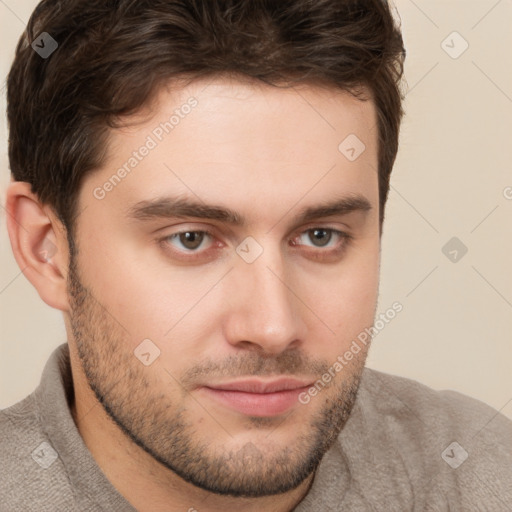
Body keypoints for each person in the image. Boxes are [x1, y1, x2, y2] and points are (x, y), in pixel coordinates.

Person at [2, 0, 511, 510]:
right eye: (191, 239)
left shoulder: (483, 473)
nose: (273, 327)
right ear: (46, 248)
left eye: (320, 236)